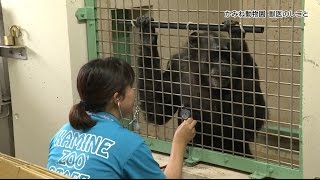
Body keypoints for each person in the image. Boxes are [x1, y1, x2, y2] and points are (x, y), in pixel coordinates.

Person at [47, 57, 197, 179]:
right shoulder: (129, 144)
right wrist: (179, 142)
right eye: (130, 87)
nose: (133, 92)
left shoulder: (62, 132)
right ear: (117, 97)